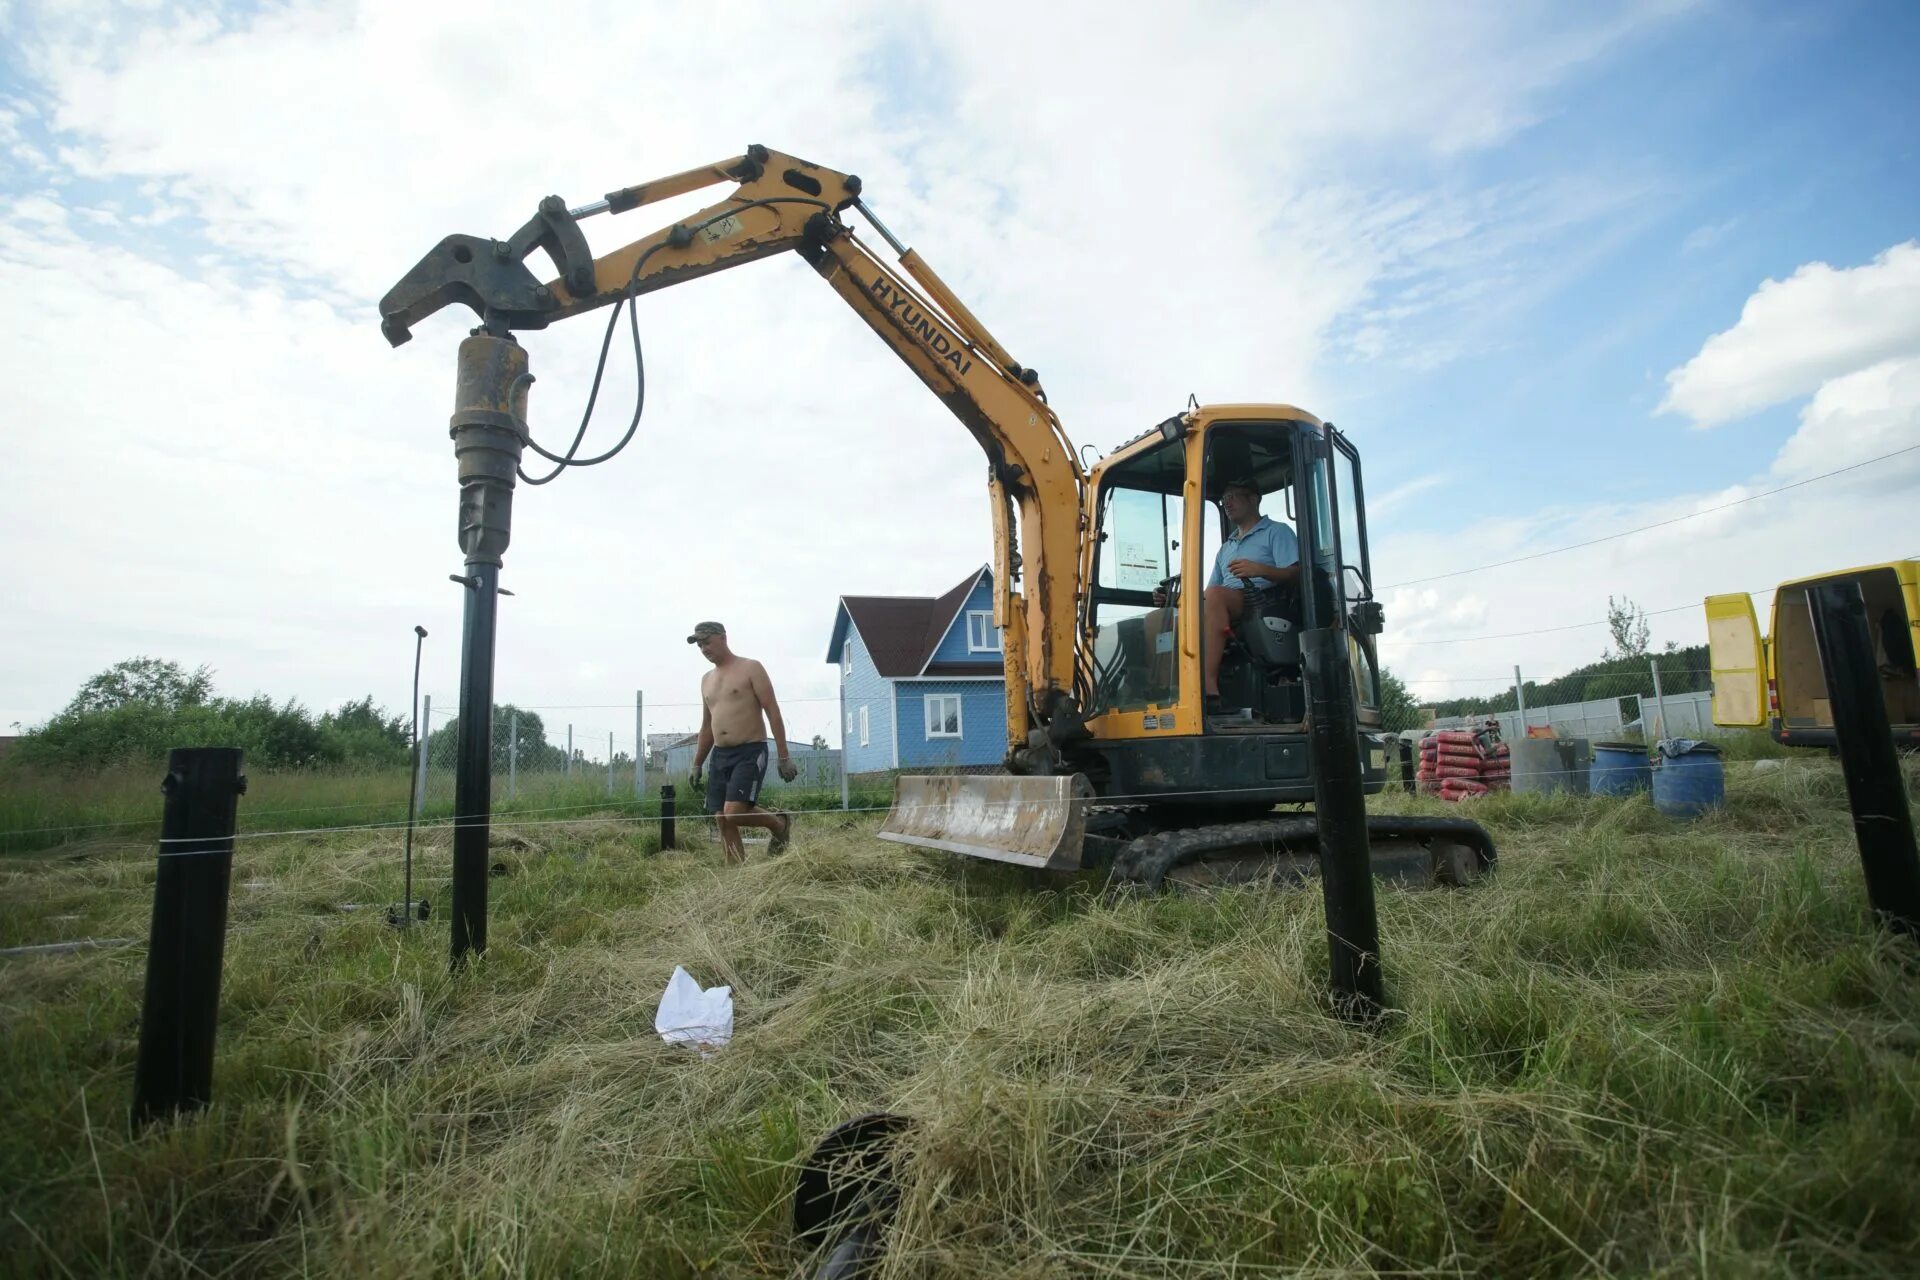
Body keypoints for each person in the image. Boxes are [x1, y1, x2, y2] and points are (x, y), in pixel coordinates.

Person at [1156, 479, 1299, 707]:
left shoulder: (1276, 532)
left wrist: (1260, 569)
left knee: (1214, 596)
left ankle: (1206, 688)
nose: (1227, 504)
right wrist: (1177, 600)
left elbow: (1295, 573)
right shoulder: (1227, 547)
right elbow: (1209, 591)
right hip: (1224, 600)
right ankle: (1164, 690)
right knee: (1160, 617)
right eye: (1224, 500)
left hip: (1261, 601)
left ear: (1253, 498)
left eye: (1233, 497)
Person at [686, 621, 799, 864]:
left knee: (734, 813)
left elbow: (773, 711)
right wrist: (697, 764)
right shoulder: (706, 680)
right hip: (720, 755)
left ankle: (779, 824)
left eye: (707, 642)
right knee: (721, 818)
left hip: (750, 750)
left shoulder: (750, 668)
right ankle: (736, 876)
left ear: (723, 638)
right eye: (699, 645)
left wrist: (784, 756)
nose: (704, 648)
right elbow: (707, 726)